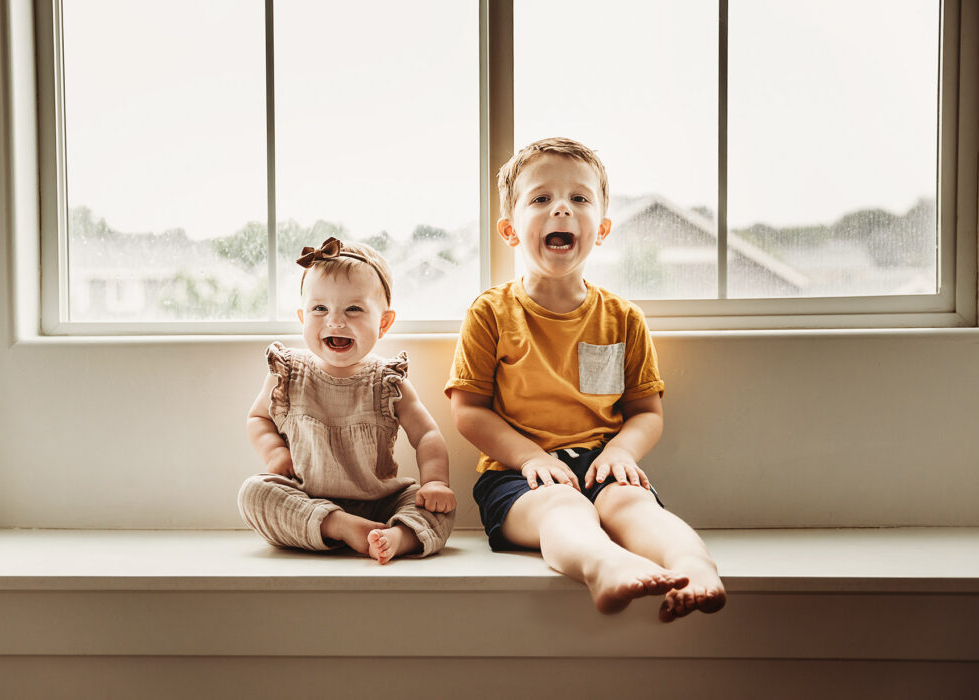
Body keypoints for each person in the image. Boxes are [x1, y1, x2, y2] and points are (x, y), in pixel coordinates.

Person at [446, 137, 726, 620]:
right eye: (541, 199)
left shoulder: (623, 319)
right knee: (562, 509)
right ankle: (604, 566)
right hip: (516, 476)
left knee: (636, 509)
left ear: (602, 228)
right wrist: (531, 457)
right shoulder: (490, 313)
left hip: (600, 463)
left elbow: (646, 414)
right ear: (510, 230)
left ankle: (695, 568)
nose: (561, 210)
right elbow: (468, 410)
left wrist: (621, 452)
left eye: (579, 198)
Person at [239, 237, 456, 564]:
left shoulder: (388, 382)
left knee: (436, 507)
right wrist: (275, 452)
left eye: (353, 309)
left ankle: (397, 536)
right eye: (320, 308)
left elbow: (427, 435)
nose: (335, 321)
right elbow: (259, 419)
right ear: (302, 317)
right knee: (254, 494)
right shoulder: (288, 373)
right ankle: (339, 526)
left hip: (381, 502)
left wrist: (436, 482)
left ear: (383, 323)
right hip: (307, 500)